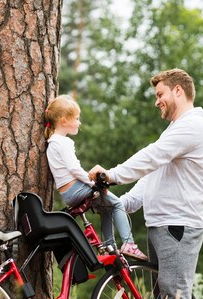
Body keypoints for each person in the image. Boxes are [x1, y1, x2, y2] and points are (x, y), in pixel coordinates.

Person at [88, 69, 203, 299]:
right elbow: (151, 180)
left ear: (178, 91)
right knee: (163, 296)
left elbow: (151, 157)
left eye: (160, 94)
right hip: (162, 226)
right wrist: (118, 205)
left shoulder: (193, 125)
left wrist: (111, 175)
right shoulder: (176, 129)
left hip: (178, 225)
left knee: (175, 293)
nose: (156, 101)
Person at [44, 95, 147, 261]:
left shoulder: (52, 142)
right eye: (76, 118)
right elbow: (74, 169)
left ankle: (108, 248)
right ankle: (129, 244)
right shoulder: (63, 142)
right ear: (63, 120)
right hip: (77, 189)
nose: (79, 122)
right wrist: (93, 182)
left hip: (68, 194)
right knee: (118, 203)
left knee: (107, 209)